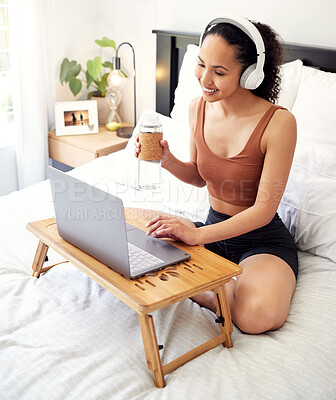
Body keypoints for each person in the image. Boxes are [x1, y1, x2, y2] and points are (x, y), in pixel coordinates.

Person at [135, 17, 298, 335]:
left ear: (249, 75)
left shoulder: (279, 124)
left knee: (256, 317)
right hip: (212, 231)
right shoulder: (198, 108)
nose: (204, 79)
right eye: (200, 65)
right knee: (138, 254)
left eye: (219, 72)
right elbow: (199, 176)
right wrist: (167, 160)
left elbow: (263, 211)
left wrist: (196, 237)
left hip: (261, 241)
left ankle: (212, 289)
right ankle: (220, 287)